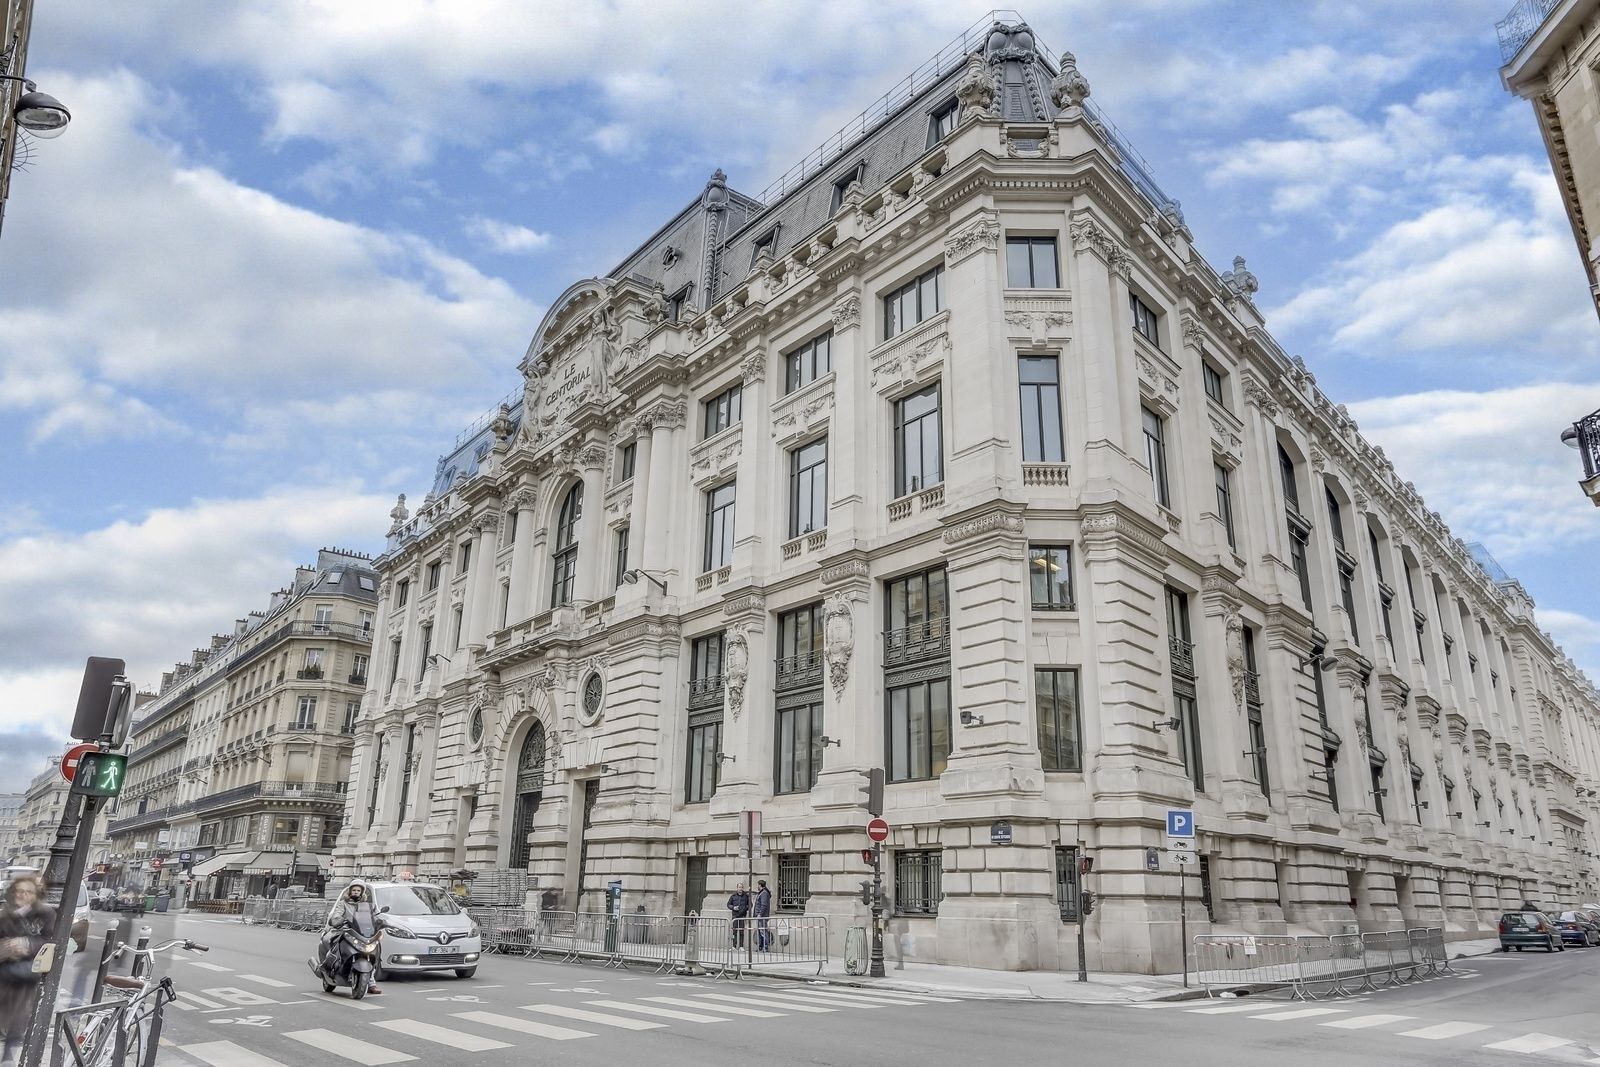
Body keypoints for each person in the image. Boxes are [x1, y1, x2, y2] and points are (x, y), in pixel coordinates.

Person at [0, 873, 57, 1063]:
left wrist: (25, 943)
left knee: (20, 1008)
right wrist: (7, 948)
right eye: (18, 891)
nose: (22, 895)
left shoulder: (46, 914)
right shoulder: (5, 914)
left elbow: (50, 939)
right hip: (5, 966)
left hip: (28, 970)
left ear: (35, 895)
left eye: (27, 892)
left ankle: (8, 1055)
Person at [323, 883, 383, 995]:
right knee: (335, 942)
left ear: (362, 892)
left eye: (358, 891)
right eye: (354, 890)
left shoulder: (367, 905)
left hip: (362, 933)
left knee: (374, 951)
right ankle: (330, 967)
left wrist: (381, 922)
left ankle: (371, 984)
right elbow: (337, 914)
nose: (356, 892)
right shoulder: (343, 903)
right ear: (350, 891)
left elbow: (374, 916)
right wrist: (338, 920)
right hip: (346, 930)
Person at [727, 883, 751, 948]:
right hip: (735, 916)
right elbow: (728, 904)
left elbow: (750, 905)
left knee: (741, 932)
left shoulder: (746, 896)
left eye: (742, 887)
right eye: (739, 887)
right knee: (734, 931)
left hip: (742, 916)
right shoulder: (733, 896)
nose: (741, 888)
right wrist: (733, 907)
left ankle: (741, 946)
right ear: (737, 888)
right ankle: (734, 946)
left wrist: (744, 908)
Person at [753, 879, 773, 952]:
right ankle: (761, 946)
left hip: (762, 916)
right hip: (760, 916)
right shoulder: (762, 893)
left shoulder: (764, 893)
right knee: (760, 931)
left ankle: (765, 947)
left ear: (760, 885)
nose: (757, 886)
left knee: (763, 931)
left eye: (758, 885)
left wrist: (760, 914)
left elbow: (764, 905)